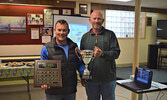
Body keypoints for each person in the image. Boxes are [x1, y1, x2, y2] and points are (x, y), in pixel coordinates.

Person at [80, 11, 121, 100]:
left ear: (103, 20)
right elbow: (82, 59)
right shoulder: (85, 37)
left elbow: (116, 53)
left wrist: (103, 54)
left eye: (99, 19)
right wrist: (83, 76)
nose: (96, 21)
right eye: (94, 18)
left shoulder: (110, 35)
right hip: (91, 79)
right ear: (90, 20)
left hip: (108, 79)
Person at [40, 19, 84, 100]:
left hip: (70, 90)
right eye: (59, 30)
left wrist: (84, 73)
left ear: (68, 31)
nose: (61, 33)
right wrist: (44, 81)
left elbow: (79, 64)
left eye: (64, 30)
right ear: (54, 31)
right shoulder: (46, 48)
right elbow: (42, 68)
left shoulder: (74, 47)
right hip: (53, 91)